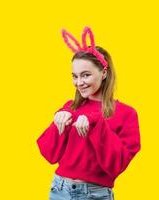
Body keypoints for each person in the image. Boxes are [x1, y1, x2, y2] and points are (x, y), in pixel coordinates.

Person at [36, 26, 141, 200]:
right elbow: (49, 154)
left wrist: (96, 124)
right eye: (74, 76)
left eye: (85, 75)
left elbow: (118, 164)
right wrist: (58, 124)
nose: (79, 82)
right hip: (59, 190)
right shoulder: (70, 108)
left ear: (104, 73)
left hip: (95, 194)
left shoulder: (126, 114)